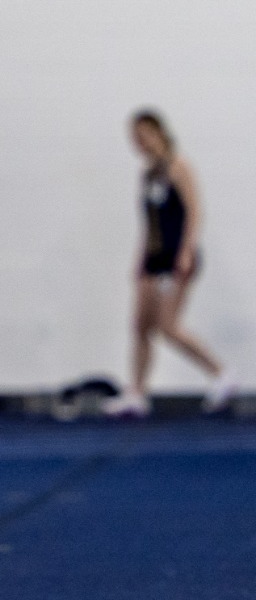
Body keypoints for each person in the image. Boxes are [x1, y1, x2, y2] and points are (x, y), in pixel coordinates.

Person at [106, 110, 233, 417]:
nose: (141, 143)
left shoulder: (179, 168)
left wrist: (187, 252)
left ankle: (220, 373)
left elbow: (194, 211)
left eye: (145, 135)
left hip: (177, 255)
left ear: (160, 133)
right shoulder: (148, 174)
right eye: (135, 138)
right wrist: (140, 259)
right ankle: (136, 391)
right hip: (154, 257)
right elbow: (149, 223)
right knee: (139, 325)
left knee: (168, 326)